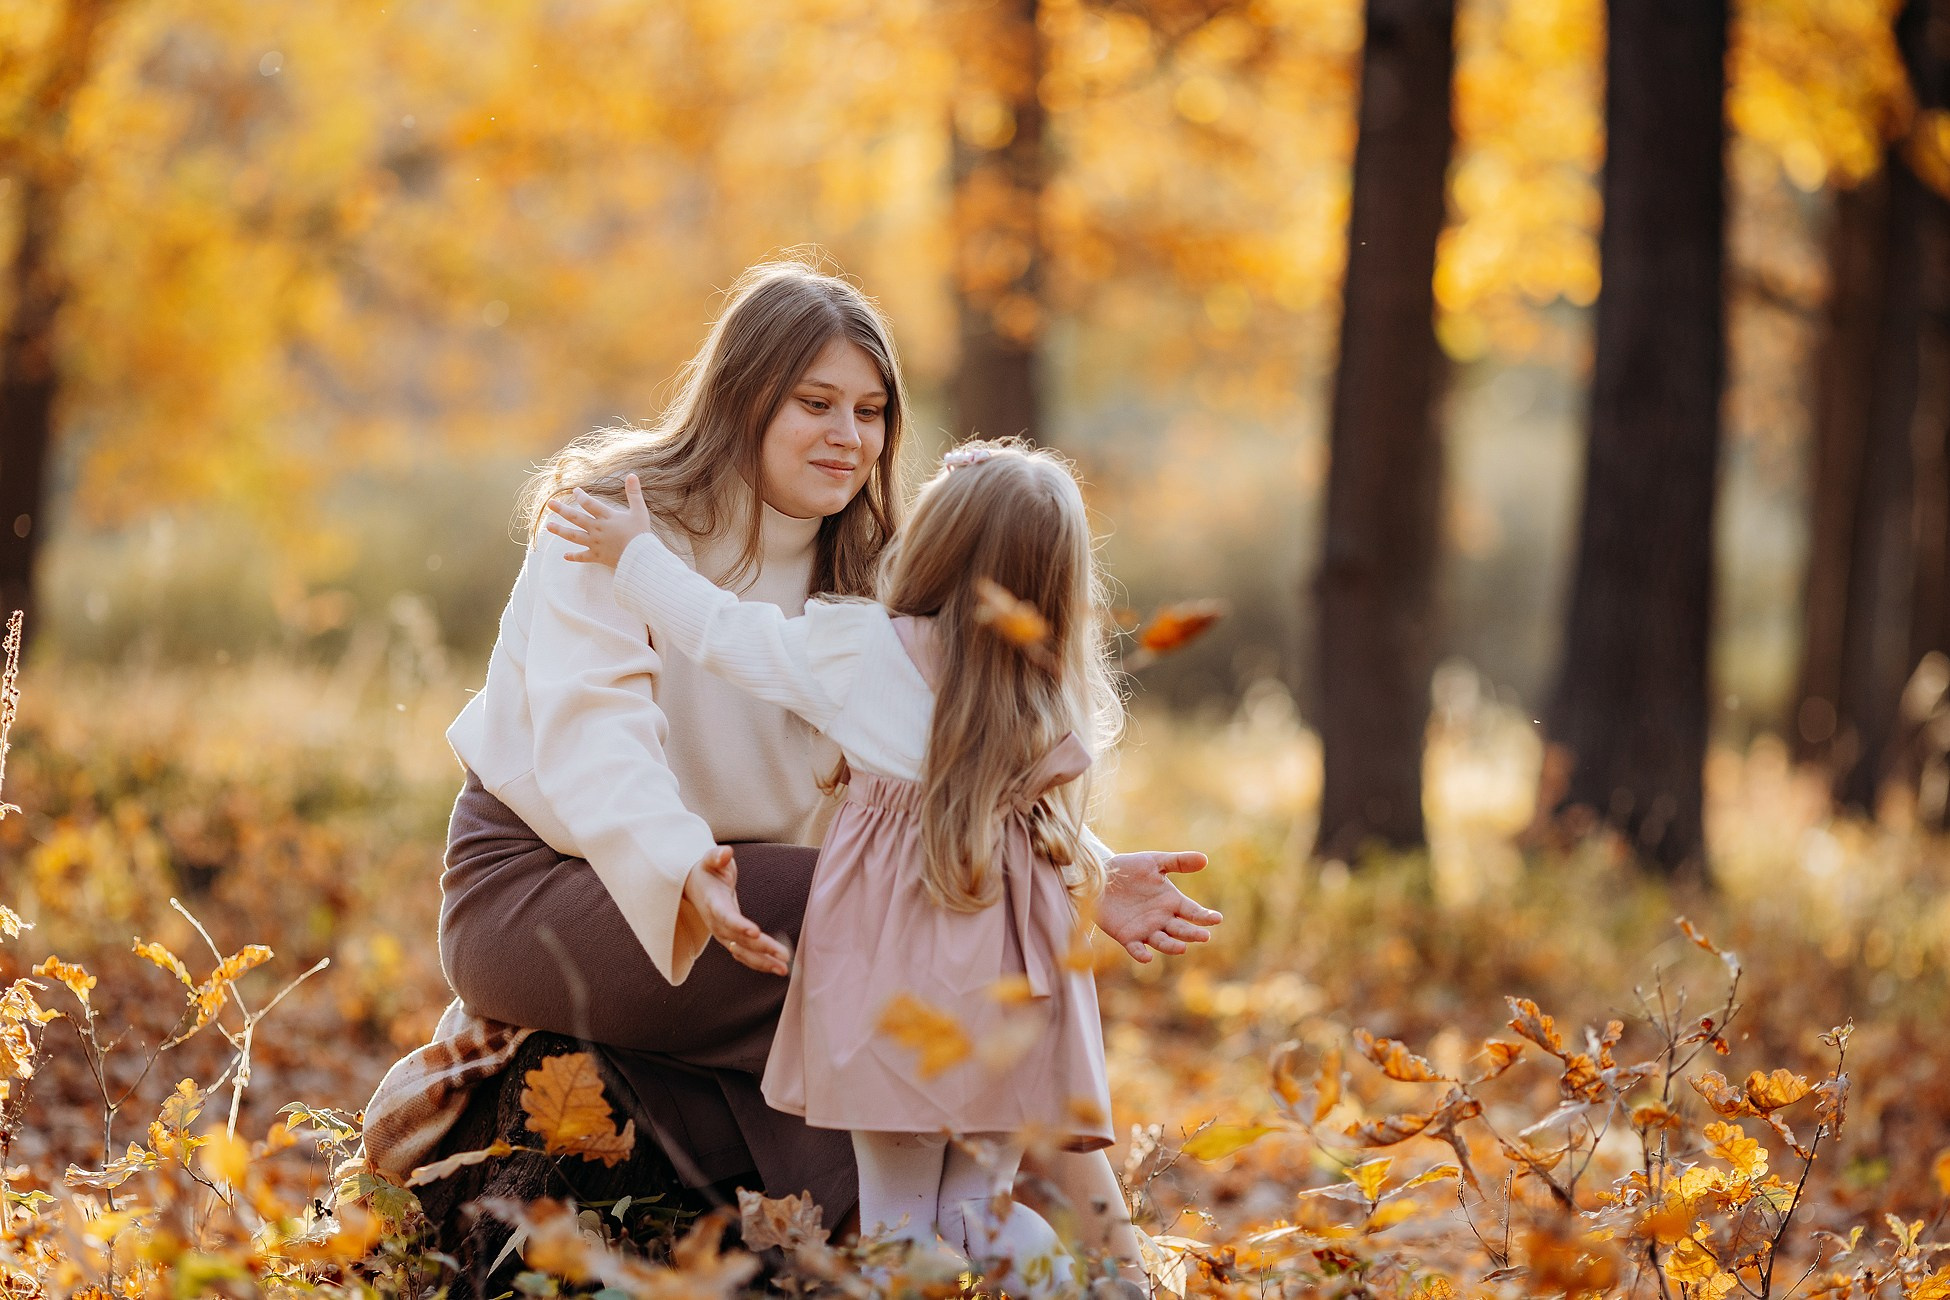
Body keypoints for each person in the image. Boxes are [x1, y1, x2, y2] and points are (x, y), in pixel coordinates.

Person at [360, 259, 1219, 1266]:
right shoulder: (612, 520)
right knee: (860, 913)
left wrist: (1083, 869)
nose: (849, 437)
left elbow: (945, 755)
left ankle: (969, 1243)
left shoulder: (871, 564)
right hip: (547, 892)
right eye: (816, 403)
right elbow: (595, 742)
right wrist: (687, 870)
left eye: (872, 410)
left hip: (763, 910)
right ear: (744, 396)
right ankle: (980, 1241)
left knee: (925, 947)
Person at [542, 441, 1123, 1290]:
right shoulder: (1045, 691)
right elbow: (1049, 835)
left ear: (933, 543)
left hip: (896, 983)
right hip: (1008, 991)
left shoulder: (863, 653)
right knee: (975, 1211)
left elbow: (722, 634)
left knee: (895, 1215)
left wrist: (633, 554)